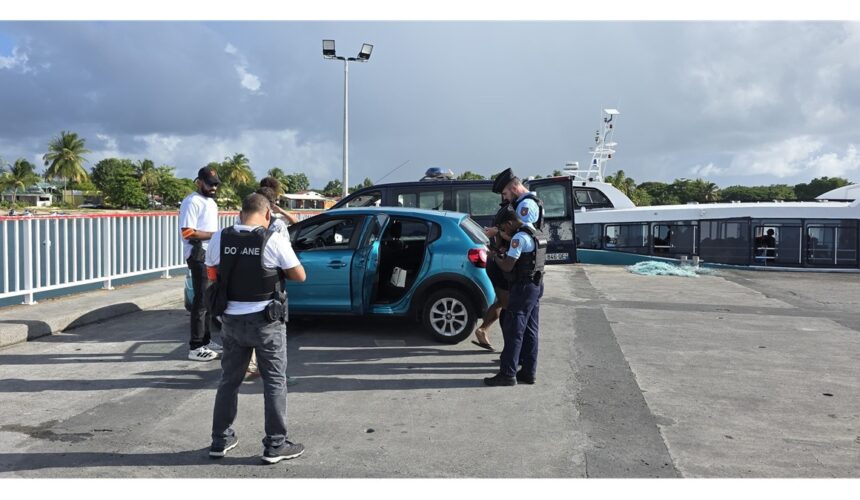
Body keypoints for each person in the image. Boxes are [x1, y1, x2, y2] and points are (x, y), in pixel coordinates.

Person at [206, 193, 307, 463]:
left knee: (229, 380)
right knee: (274, 381)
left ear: (240, 214)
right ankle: (275, 444)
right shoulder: (272, 238)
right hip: (266, 322)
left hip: (230, 321)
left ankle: (220, 440)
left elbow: (212, 273)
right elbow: (300, 275)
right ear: (267, 215)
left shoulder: (220, 237)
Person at [484, 170, 546, 387]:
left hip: (523, 282)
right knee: (530, 328)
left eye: (505, 193)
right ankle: (528, 372)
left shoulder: (524, 216)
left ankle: (508, 373)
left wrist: (497, 252)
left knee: (513, 328)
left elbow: (510, 261)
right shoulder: (534, 233)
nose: (505, 198)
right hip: (536, 281)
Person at [179, 166, 222, 361]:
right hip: (198, 254)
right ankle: (195, 346)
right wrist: (216, 235)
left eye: (216, 184)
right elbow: (187, 232)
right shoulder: (192, 201)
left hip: (209, 255)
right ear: (199, 182)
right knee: (200, 300)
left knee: (208, 300)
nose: (213, 187)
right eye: (209, 183)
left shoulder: (211, 203)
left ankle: (206, 340)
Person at [472, 200, 517, 351]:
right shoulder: (502, 226)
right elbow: (499, 246)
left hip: (496, 264)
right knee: (507, 306)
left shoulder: (501, 226)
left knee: (502, 303)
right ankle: (509, 348)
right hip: (499, 266)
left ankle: (483, 330)